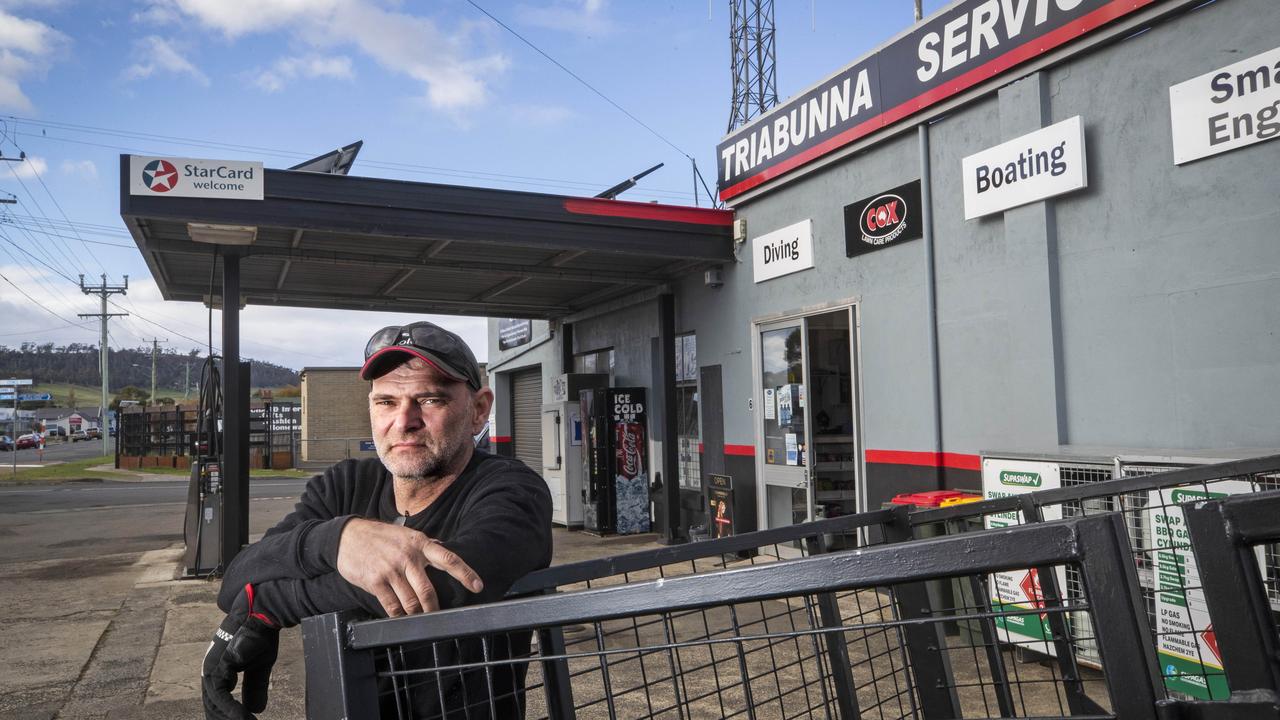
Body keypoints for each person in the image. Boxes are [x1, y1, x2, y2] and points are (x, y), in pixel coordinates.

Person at [202, 321, 553, 719]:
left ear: (478, 409)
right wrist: (337, 539)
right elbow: (237, 580)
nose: (404, 421)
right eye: (386, 402)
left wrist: (272, 603)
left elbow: (445, 585)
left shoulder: (512, 490)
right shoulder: (344, 486)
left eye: (430, 399)